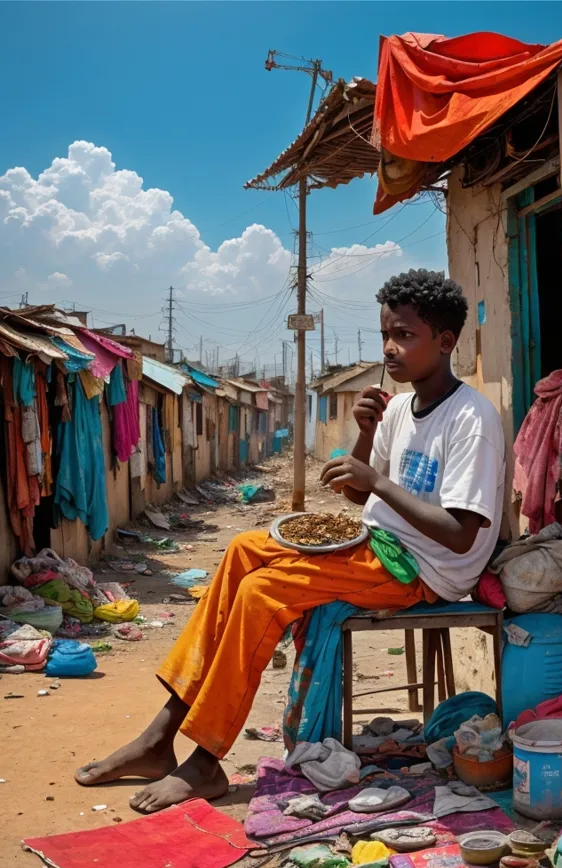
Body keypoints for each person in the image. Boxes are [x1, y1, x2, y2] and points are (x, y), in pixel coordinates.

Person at [75, 269, 505, 813]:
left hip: (422, 570)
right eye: (384, 336)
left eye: (405, 336)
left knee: (263, 593)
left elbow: (463, 535)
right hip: (375, 545)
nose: (391, 349)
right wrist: (369, 437)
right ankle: (160, 736)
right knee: (241, 551)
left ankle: (205, 762)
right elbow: (363, 501)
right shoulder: (398, 408)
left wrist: (377, 480)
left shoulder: (472, 418)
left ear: (445, 343)